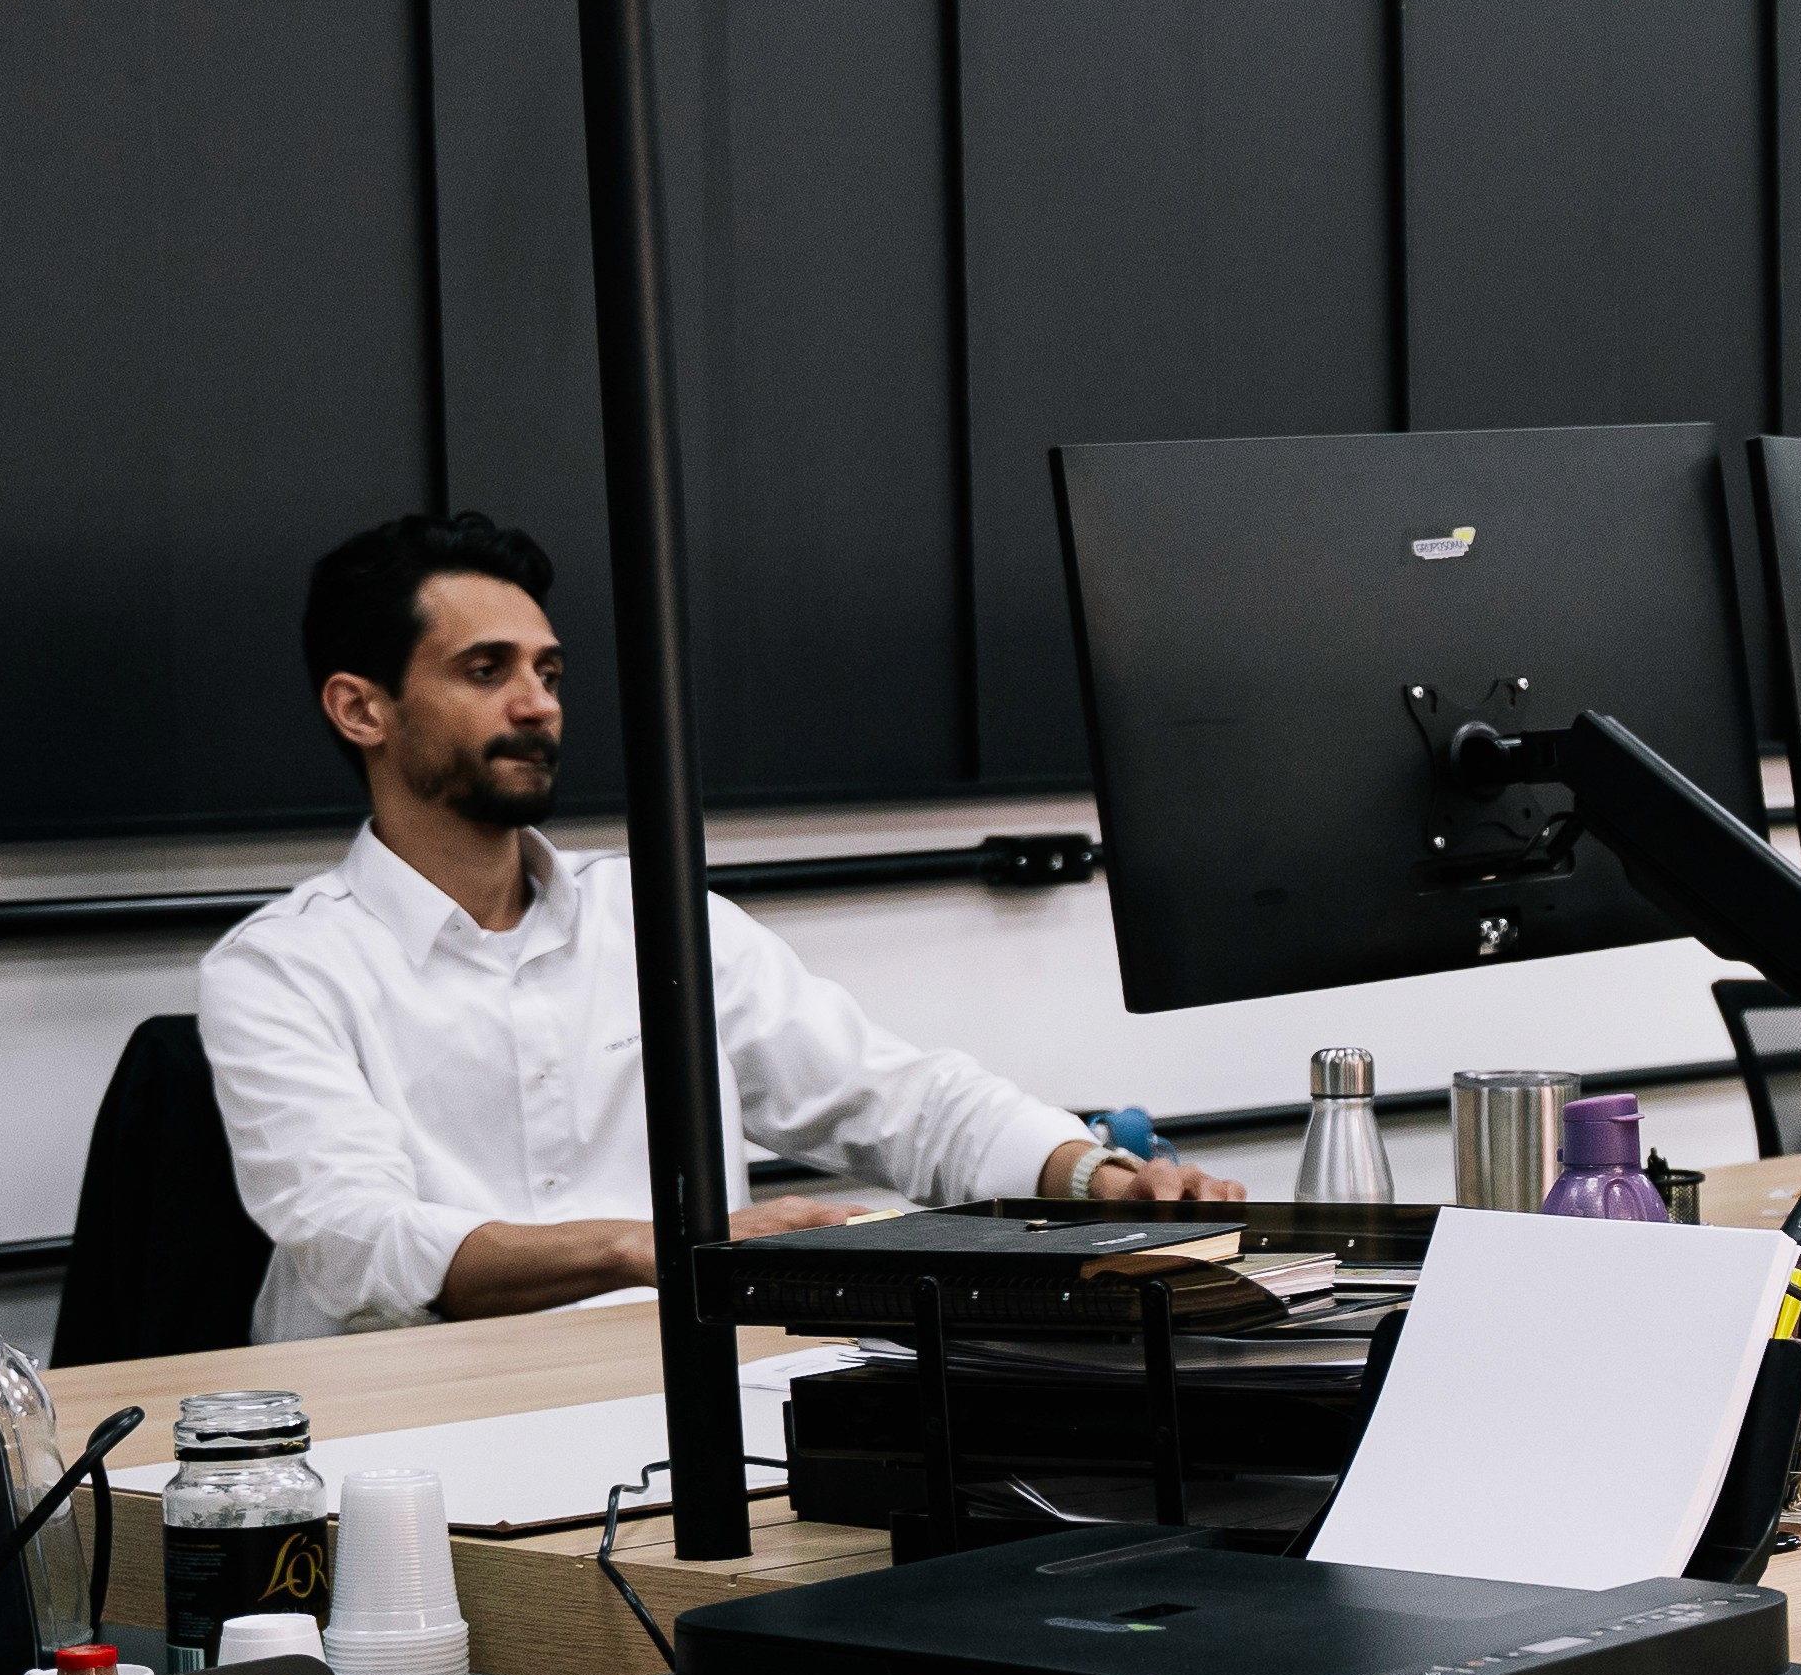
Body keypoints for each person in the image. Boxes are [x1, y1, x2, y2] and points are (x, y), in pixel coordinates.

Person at [203, 509, 1251, 1342]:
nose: (538, 705)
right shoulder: (278, 973)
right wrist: (670, 1247)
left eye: (550, 672)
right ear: (361, 709)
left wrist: (1097, 1179)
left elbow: (893, 1098)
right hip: (401, 1432)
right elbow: (360, 1246)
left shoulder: (657, 922)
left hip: (665, 1395)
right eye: (488, 671)